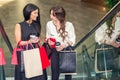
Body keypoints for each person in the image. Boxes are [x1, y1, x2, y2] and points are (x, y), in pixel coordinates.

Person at [14, 3, 47, 80]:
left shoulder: (37, 25)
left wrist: (38, 40)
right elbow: (19, 42)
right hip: (24, 53)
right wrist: (29, 41)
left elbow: (38, 38)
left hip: (36, 52)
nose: (37, 15)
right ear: (28, 13)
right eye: (35, 13)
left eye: (37, 13)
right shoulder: (19, 25)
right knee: (25, 74)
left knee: (38, 74)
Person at [46, 6, 76, 80]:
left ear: (58, 16)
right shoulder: (49, 24)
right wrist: (49, 41)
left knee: (67, 73)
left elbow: (72, 40)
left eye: (52, 15)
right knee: (54, 72)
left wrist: (64, 45)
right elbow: (48, 36)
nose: (50, 16)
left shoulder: (69, 25)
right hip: (54, 51)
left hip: (66, 51)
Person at [95, 11, 120, 79]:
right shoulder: (104, 21)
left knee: (115, 68)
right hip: (104, 49)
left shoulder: (118, 20)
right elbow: (98, 38)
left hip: (115, 50)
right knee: (102, 69)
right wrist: (110, 42)